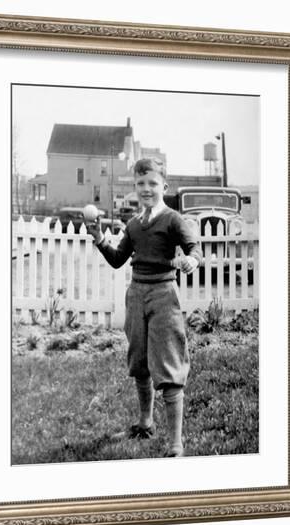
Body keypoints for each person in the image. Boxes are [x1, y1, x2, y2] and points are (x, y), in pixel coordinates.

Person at [86, 157, 202, 457]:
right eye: (140, 184)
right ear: (134, 187)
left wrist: (192, 260)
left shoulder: (174, 219)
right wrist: (99, 238)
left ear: (165, 185)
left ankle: (176, 444)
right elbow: (117, 259)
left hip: (164, 295)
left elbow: (195, 249)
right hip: (136, 295)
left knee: (168, 366)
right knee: (139, 362)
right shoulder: (134, 224)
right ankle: (145, 423)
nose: (146, 189)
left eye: (152, 183)